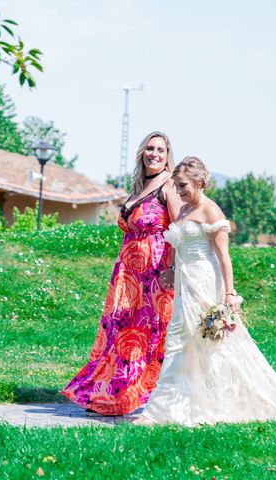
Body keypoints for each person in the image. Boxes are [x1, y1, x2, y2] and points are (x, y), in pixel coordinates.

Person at [135, 157, 276, 426]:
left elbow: (224, 257)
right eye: (176, 186)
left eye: (183, 185)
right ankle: (168, 411)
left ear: (200, 182)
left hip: (206, 282)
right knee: (179, 342)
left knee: (212, 345)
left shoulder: (212, 211)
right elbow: (180, 247)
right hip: (184, 284)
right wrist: (172, 271)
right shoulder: (185, 210)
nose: (179, 191)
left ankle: (222, 401)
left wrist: (230, 294)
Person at [62, 132, 182, 415]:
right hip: (128, 275)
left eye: (161, 150)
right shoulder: (141, 186)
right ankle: (107, 393)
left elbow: (179, 229)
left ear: (167, 155)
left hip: (154, 273)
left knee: (144, 334)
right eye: (150, 148)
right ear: (142, 153)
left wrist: (172, 268)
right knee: (118, 330)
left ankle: (128, 396)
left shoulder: (170, 185)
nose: (154, 153)